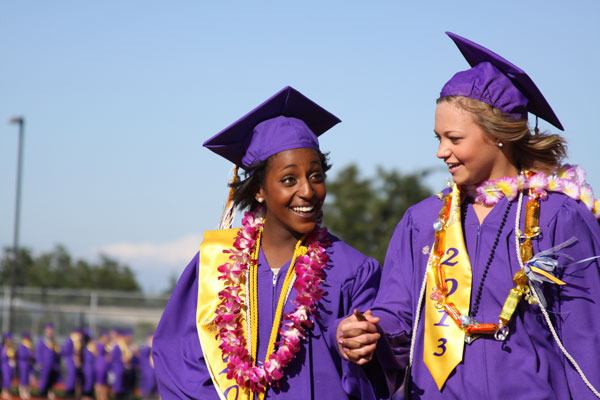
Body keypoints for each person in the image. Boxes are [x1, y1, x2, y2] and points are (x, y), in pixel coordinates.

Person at [339, 32, 600, 399]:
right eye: (437, 138)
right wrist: (368, 332)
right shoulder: (423, 223)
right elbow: (398, 314)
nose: (442, 152)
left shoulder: (557, 216)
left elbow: (586, 339)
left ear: (498, 135)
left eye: (454, 139)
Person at [152, 86, 381, 399]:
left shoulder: (352, 270)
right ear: (259, 189)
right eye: (289, 179)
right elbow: (178, 360)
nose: (308, 191)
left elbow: (381, 373)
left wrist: (352, 341)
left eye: (316, 176)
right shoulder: (215, 265)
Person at [35, 323, 60, 400]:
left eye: (51, 330)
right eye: (48, 330)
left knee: (51, 381)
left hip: (52, 366)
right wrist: (39, 363)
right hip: (44, 366)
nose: (50, 332)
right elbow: (38, 353)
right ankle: (42, 394)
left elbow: (57, 354)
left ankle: (49, 392)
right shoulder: (42, 341)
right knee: (44, 382)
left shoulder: (54, 342)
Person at [61, 328, 84, 399]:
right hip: (70, 366)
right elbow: (65, 353)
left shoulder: (78, 342)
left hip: (74, 367)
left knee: (75, 384)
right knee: (70, 384)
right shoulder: (70, 342)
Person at [138, 331, 157, 399]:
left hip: (155, 385)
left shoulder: (155, 352)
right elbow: (145, 352)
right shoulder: (145, 351)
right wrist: (149, 344)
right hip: (146, 385)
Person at [17, 332, 34, 400]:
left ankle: (27, 392)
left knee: (28, 379)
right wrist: (29, 353)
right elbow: (22, 355)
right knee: (23, 379)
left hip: (29, 365)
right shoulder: (22, 346)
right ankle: (22, 392)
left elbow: (33, 356)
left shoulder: (30, 346)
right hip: (23, 364)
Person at [1, 333, 16, 400]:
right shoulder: (2, 347)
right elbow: (2, 357)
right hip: (4, 365)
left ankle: (6, 391)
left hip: (10, 366)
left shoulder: (11, 347)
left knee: (10, 378)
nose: (9, 341)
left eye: (10, 339)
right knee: (6, 378)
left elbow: (13, 356)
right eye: (8, 339)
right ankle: (4, 392)